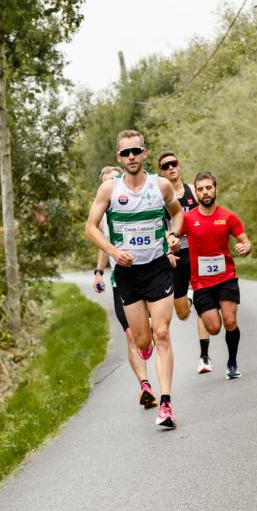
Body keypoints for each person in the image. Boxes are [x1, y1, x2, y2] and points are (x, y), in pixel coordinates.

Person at [85, 130, 183, 428]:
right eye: (126, 153)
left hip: (157, 267)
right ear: (119, 157)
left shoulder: (160, 185)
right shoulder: (109, 189)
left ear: (144, 153)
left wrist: (173, 235)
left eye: (136, 151)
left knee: (162, 333)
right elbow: (90, 227)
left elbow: (177, 214)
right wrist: (114, 252)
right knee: (142, 340)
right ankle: (145, 342)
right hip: (127, 273)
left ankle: (166, 404)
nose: (131, 157)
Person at [92, 165, 157, 409]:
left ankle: (152, 340)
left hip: (150, 276)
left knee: (151, 333)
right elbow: (103, 246)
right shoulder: (101, 217)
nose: (111, 184)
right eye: (106, 182)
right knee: (131, 334)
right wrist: (99, 273)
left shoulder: (136, 205)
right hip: (121, 281)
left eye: (114, 179)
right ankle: (145, 385)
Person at [180, 171, 252, 379]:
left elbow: (245, 240)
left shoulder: (228, 216)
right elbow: (173, 237)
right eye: (200, 189)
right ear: (196, 193)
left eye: (208, 188)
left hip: (226, 277)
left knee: (229, 320)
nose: (205, 192)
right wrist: (171, 244)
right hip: (201, 283)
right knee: (213, 328)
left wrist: (245, 247)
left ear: (215, 189)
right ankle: (200, 305)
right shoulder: (188, 219)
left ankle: (232, 362)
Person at [157, 150, 213, 374]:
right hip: (176, 256)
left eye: (173, 164)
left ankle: (204, 357)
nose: (170, 168)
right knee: (182, 313)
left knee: (204, 304)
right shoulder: (159, 197)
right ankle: (188, 297)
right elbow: (156, 226)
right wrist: (168, 239)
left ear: (179, 166)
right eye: (165, 166)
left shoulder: (192, 190)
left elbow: (207, 213)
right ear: (161, 172)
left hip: (197, 253)